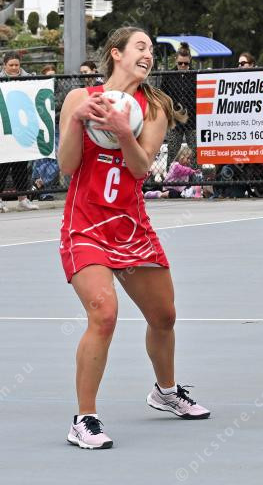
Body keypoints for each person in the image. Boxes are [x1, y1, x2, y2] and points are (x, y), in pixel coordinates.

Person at [58, 27, 209, 450]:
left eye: (151, 50)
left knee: (164, 317)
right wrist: (78, 119)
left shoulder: (154, 107)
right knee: (104, 314)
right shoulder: (80, 98)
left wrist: (124, 132)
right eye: (140, 47)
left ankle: (166, 391)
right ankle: (84, 419)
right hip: (86, 225)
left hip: (131, 226)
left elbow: (141, 169)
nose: (148, 55)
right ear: (116, 53)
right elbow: (67, 165)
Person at [0, 53, 39, 211]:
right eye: (11, 65)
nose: (14, 68)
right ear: (4, 65)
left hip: (22, 127)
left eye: (17, 65)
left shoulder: (29, 79)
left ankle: (23, 199)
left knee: (21, 164)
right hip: (4, 128)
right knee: (2, 165)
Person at [160, 42, 197, 168]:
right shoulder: (169, 76)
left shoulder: (196, 75)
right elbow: (163, 96)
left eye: (186, 64)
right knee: (172, 151)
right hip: (175, 120)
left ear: (190, 61)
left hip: (193, 120)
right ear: (176, 60)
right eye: (180, 63)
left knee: (195, 151)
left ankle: (196, 176)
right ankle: (171, 176)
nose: (183, 66)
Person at [31, 64, 60, 201]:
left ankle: (38, 185)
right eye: (49, 77)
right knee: (42, 159)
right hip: (42, 126)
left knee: (57, 158)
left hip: (57, 126)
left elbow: (62, 106)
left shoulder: (61, 91)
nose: (53, 79)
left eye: (54, 76)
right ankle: (43, 192)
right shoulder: (38, 91)